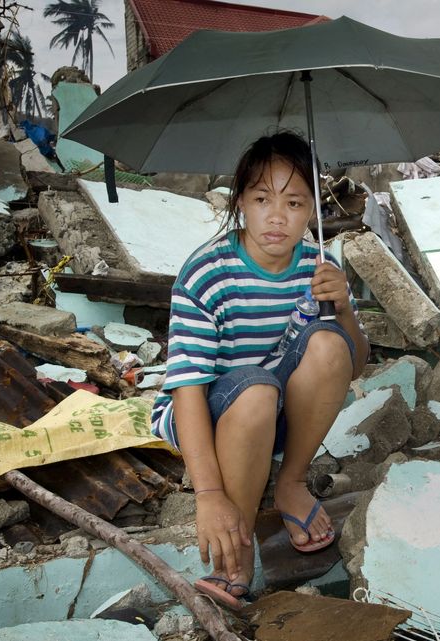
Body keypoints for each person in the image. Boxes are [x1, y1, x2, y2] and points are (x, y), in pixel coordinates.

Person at [150, 131, 369, 609]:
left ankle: (289, 483)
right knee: (254, 388)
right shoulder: (207, 273)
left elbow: (355, 364)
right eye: (262, 198)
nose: (276, 216)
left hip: (272, 409)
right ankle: (238, 548)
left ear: (313, 209)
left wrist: (344, 309)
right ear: (240, 204)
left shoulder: (319, 266)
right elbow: (187, 389)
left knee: (330, 345)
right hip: (207, 412)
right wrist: (207, 494)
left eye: (293, 202)